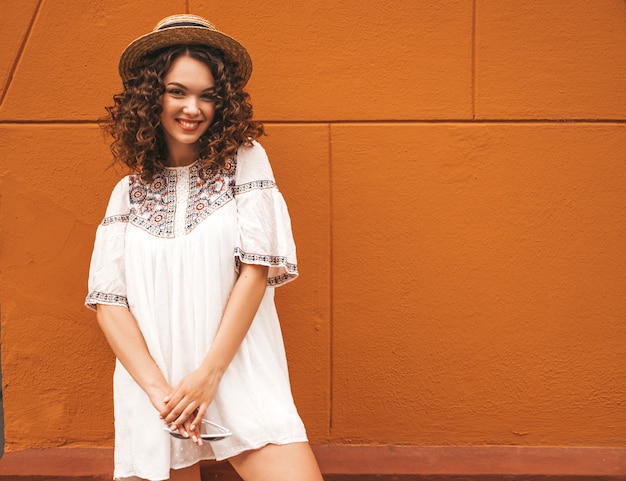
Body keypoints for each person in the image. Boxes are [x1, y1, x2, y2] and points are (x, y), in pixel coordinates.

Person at [85, 14, 323, 481]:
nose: (193, 107)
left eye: (208, 95)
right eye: (178, 91)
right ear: (150, 96)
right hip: (158, 393)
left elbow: (256, 271)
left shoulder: (246, 163)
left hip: (236, 371)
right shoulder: (127, 195)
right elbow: (109, 304)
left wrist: (207, 377)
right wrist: (162, 395)